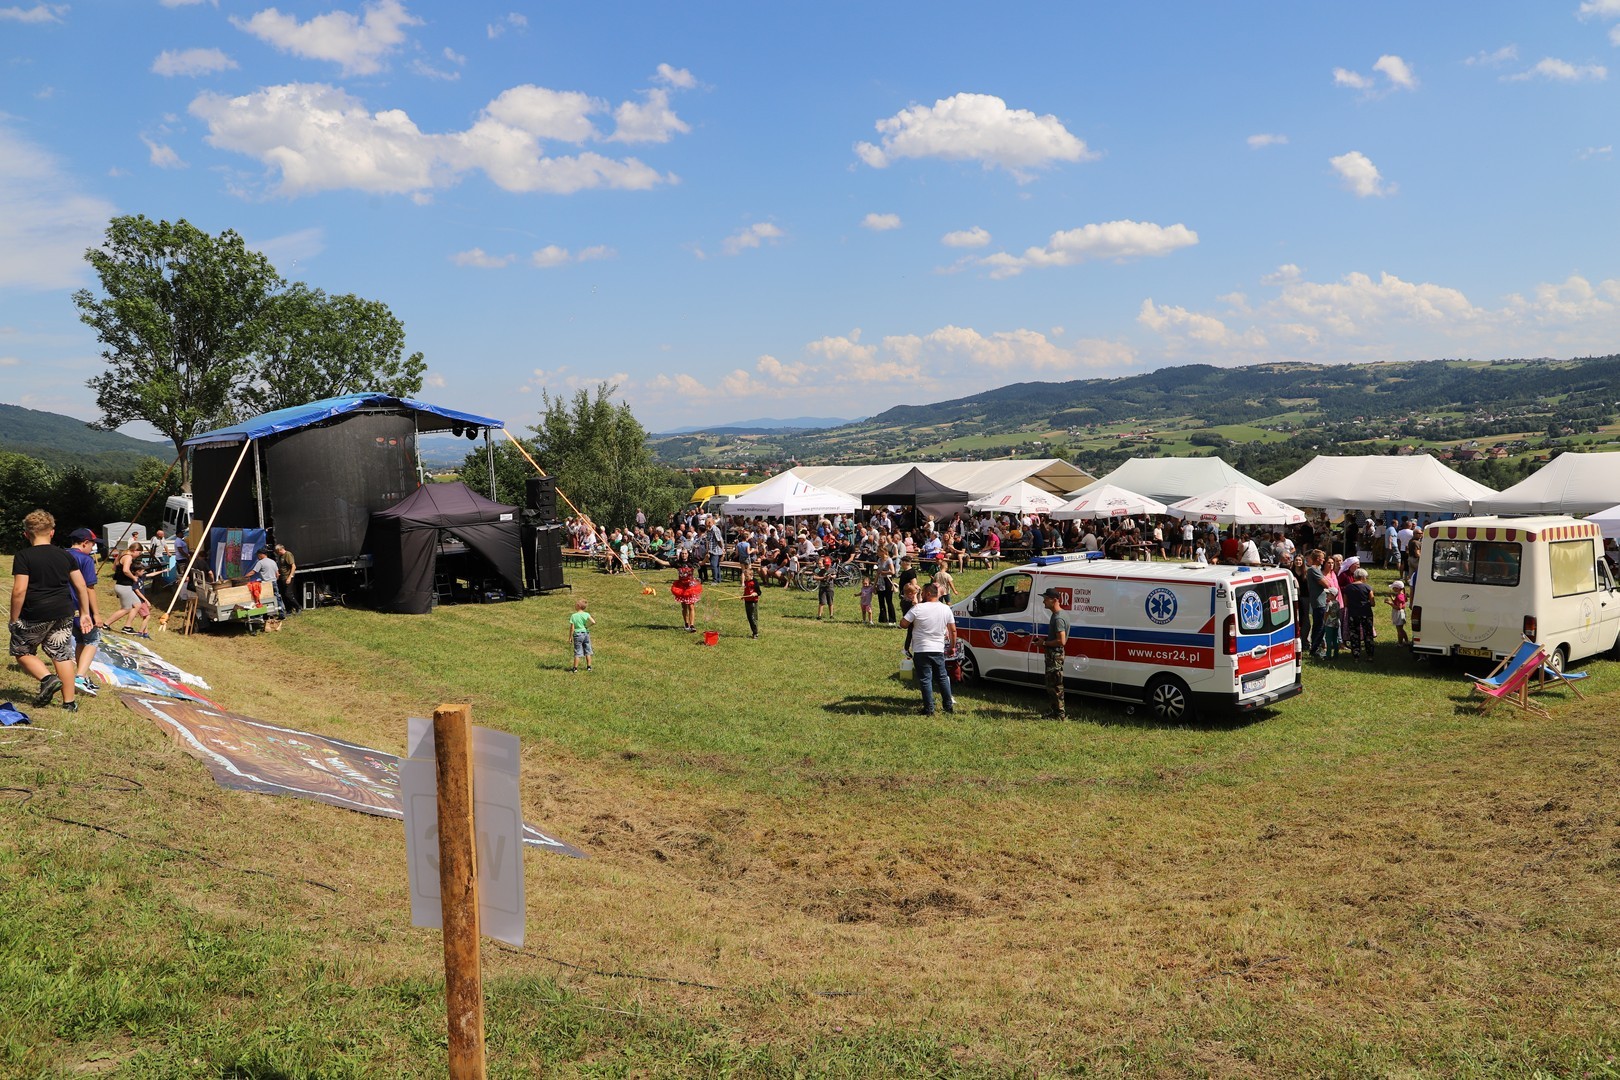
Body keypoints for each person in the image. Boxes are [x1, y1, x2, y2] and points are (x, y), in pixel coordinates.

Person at [9, 510, 92, 711]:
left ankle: (48, 679)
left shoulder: (23, 556)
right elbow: (81, 586)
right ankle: (69, 703)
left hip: (35, 612)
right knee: (61, 654)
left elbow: (19, 591)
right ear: (52, 532)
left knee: (22, 651)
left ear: (26, 534)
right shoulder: (65, 555)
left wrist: (14, 618)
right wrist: (85, 613)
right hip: (63, 611)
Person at [900, 582, 957, 716]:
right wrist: (952, 647)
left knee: (925, 679)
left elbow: (903, 624)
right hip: (938, 648)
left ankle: (929, 709)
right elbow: (953, 630)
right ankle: (948, 706)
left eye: (923, 593)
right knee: (942, 678)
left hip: (921, 649)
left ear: (929, 593)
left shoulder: (918, 608)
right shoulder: (946, 609)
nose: (921, 595)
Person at [66, 529, 102, 698]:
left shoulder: (63, 554)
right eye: (93, 544)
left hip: (64, 607)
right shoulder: (85, 559)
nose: (93, 548)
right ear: (85, 543)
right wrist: (96, 614)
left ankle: (83, 674)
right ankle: (79, 677)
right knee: (93, 639)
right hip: (81, 608)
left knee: (81, 639)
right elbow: (89, 588)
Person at [1040, 586, 1070, 720]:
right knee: (1052, 684)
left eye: (1046, 599)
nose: (1043, 601)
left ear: (1054, 600)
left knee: (1055, 686)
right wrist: (1045, 640)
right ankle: (1055, 711)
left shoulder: (1058, 618)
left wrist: (1044, 643)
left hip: (1055, 656)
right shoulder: (1059, 615)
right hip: (1054, 655)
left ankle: (1059, 714)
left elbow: (1061, 641)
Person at [106, 541, 146, 632]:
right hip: (124, 586)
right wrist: (133, 577)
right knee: (126, 608)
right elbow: (125, 570)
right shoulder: (128, 557)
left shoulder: (122, 555)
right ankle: (106, 624)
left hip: (123, 585)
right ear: (135, 550)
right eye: (139, 553)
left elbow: (114, 568)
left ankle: (127, 627)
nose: (139, 555)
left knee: (137, 604)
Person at [1343, 567, 1375, 659]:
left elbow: (1345, 603)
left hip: (1353, 613)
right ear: (1363, 577)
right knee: (1368, 634)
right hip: (1366, 613)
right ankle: (1370, 655)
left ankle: (1356, 656)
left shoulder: (1348, 588)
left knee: (1354, 634)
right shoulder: (1368, 587)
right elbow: (1372, 603)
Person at [249, 545, 283, 618]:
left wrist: (244, 576)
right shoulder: (273, 561)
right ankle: (281, 613)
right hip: (274, 582)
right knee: (277, 597)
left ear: (261, 554)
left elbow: (253, 572)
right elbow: (277, 574)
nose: (257, 557)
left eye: (258, 555)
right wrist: (274, 580)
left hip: (266, 584)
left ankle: (264, 615)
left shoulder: (260, 562)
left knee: (264, 599)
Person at [670, 564, 702, 633]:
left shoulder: (692, 563)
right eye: (683, 555)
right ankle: (686, 623)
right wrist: (655, 559)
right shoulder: (678, 563)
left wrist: (707, 558)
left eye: (685, 554)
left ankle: (692, 625)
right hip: (681, 588)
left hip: (690, 588)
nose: (684, 557)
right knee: (684, 607)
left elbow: (701, 563)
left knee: (691, 606)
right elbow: (665, 563)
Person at [568, 598, 596, 672]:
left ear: (578, 606)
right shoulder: (586, 614)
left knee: (577, 651)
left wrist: (570, 637)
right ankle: (589, 667)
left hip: (578, 634)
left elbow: (572, 628)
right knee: (588, 650)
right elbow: (593, 622)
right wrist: (587, 627)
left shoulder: (573, 616)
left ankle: (575, 668)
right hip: (586, 633)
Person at [274, 542, 298, 616]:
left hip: (287, 577)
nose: (277, 553)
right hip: (282, 577)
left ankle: (298, 607)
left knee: (288, 594)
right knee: (283, 595)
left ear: (281, 549)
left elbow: (293, 566)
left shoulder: (288, 554)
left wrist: (290, 577)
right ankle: (289, 610)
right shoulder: (280, 556)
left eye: (278, 551)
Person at [1386, 579, 1410, 646]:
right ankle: (1406, 641)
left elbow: (1398, 607)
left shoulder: (1399, 597)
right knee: (1401, 629)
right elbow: (1398, 603)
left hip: (1399, 614)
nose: (1392, 589)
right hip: (1401, 613)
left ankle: (1400, 643)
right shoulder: (1402, 595)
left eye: (1393, 588)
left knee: (1399, 630)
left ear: (1397, 588)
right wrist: (1392, 598)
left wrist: (1389, 603)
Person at [742, 568, 761, 638]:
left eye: (747, 576)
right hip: (747, 601)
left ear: (751, 575)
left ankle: (755, 633)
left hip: (753, 602)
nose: (745, 578)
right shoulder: (746, 581)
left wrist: (754, 593)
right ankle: (754, 632)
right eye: (745, 576)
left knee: (752, 617)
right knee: (749, 617)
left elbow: (759, 592)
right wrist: (743, 596)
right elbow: (746, 590)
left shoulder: (755, 582)